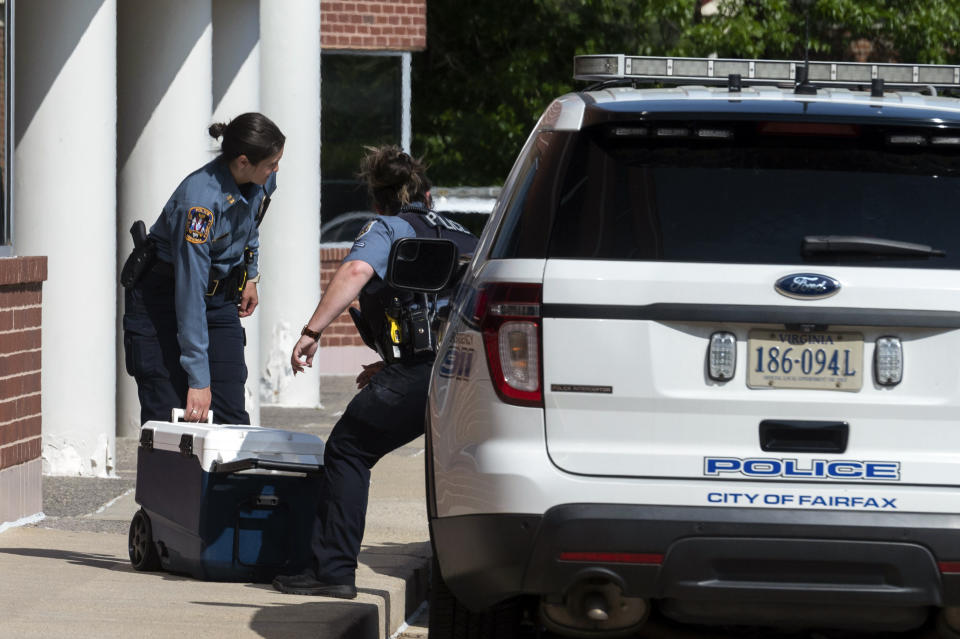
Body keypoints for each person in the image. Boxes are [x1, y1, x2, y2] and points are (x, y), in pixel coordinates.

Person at [272, 145, 477, 598]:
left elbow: (357, 270)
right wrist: (391, 360)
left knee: (348, 449)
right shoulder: (464, 233)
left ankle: (332, 572)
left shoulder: (386, 228)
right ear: (427, 194)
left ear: (378, 199)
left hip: (423, 371)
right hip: (467, 373)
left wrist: (312, 331)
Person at [122, 112, 285, 425]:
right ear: (242, 161)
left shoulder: (260, 177)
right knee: (170, 418)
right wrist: (198, 380)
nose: (276, 169)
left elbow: (251, 223)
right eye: (271, 163)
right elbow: (189, 290)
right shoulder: (199, 205)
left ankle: (225, 477)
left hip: (220, 299)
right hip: (165, 302)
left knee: (231, 417)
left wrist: (250, 275)